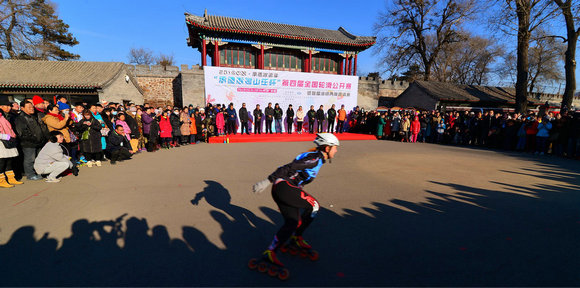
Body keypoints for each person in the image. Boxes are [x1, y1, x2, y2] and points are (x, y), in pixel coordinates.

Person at [252, 133, 340, 267]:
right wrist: (267, 181)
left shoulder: (317, 158)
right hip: (284, 187)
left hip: (285, 190)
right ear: (327, 148)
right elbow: (289, 167)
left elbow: (298, 176)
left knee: (293, 222)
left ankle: (270, 252)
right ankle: (296, 237)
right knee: (314, 206)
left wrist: (291, 198)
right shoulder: (315, 158)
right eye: (335, 147)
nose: (337, 150)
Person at [15, 101, 48, 180]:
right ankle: (30, 175)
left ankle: (39, 173)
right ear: (22, 108)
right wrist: (34, 139)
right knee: (30, 159)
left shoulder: (35, 116)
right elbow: (22, 133)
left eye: (32, 107)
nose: (31, 109)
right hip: (29, 143)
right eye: (29, 107)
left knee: (39, 159)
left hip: (39, 142)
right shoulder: (20, 118)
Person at [0, 99, 22, 187]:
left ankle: (11, 178)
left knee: (9, 160)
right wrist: (5, 136)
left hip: (8, 140)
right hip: (2, 141)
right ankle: (1, 180)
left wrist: (12, 136)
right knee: (2, 162)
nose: (9, 108)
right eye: (7, 106)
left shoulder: (3, 116)